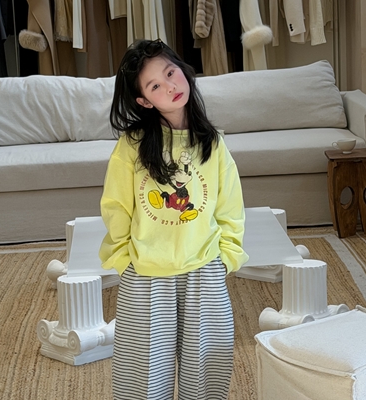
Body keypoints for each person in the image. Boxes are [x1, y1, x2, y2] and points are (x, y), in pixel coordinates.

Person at [99, 38, 249, 400]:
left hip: (204, 270)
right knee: (142, 383)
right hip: (146, 275)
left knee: (207, 378)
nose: (169, 86)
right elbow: (116, 207)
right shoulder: (132, 146)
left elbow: (229, 206)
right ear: (144, 101)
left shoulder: (213, 143)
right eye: (154, 86)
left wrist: (226, 257)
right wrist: (123, 260)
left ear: (182, 69)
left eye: (170, 73)